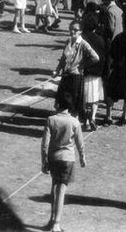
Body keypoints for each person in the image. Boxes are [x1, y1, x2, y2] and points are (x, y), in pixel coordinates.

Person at [41, 92, 86, 232]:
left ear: (59, 104)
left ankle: (52, 219)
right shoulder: (74, 122)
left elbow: (45, 144)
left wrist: (44, 160)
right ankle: (56, 224)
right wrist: (82, 157)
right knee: (61, 190)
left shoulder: (51, 120)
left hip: (54, 158)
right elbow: (80, 143)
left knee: (54, 188)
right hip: (68, 159)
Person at [53, 21, 100, 125]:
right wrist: (58, 69)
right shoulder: (68, 41)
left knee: (73, 104)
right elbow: (63, 58)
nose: (72, 31)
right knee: (61, 101)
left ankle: (75, 125)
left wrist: (82, 65)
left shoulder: (83, 44)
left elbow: (96, 57)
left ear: (80, 31)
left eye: (75, 30)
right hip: (66, 75)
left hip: (76, 77)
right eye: (71, 29)